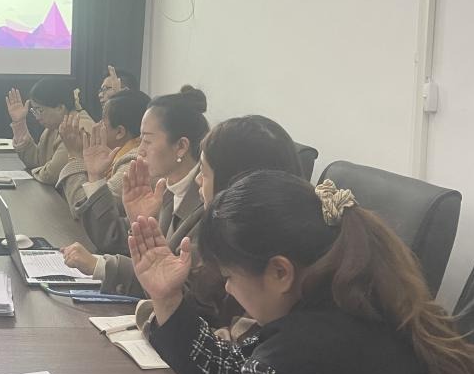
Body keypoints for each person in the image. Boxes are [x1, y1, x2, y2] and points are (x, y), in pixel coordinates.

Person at [132, 171, 474, 374]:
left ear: (280, 272)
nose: (228, 290)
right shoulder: (349, 302)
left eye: (229, 277)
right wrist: (167, 299)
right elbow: (232, 372)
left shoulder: (307, 353)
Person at [63, 115, 303, 330]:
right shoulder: (171, 194)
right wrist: (141, 223)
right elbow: (157, 270)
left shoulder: (221, 226)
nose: (140, 149)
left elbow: (194, 304)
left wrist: (100, 265)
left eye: (205, 173)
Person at [67, 86, 209, 255]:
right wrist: (95, 175)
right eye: (141, 140)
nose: (140, 150)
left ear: (181, 146)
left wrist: (99, 266)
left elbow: (170, 268)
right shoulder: (164, 185)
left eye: (147, 141)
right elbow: (116, 241)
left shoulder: (206, 198)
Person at [56, 89, 150, 216]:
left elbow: (87, 211)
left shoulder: (133, 163)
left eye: (102, 122)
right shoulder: (119, 153)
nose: (97, 126)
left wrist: (75, 155)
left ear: (120, 132)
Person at [5, 78, 95, 186]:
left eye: (40, 110)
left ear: (60, 108)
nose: (37, 117)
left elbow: (52, 175)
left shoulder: (78, 128)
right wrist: (19, 123)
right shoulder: (54, 127)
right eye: (34, 111)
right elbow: (36, 161)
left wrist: (33, 172)